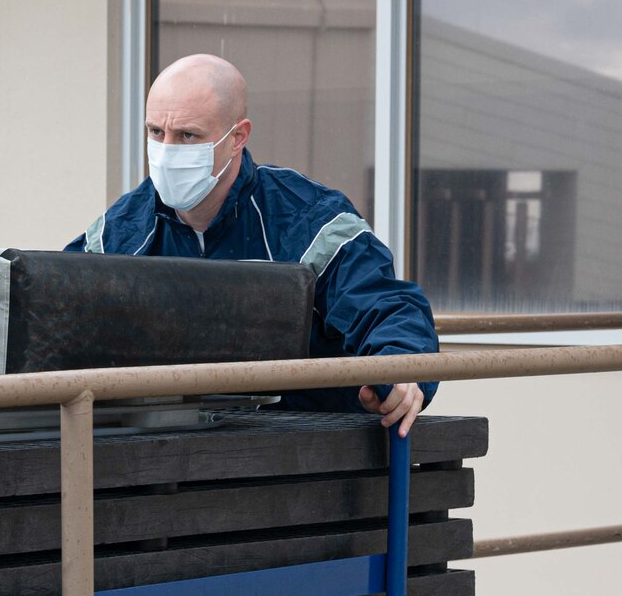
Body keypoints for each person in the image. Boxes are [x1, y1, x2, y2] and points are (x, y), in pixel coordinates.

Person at [69, 53, 437, 436]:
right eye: (156, 132)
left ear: (238, 138)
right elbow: (58, 312)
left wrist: (402, 372)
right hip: (160, 458)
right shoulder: (119, 231)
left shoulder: (308, 221)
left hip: (300, 461)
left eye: (188, 135)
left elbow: (387, 306)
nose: (167, 151)